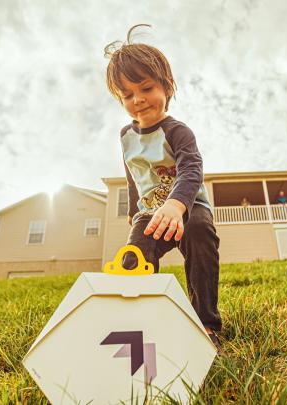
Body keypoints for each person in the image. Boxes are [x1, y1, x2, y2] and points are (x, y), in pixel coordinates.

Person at [104, 25, 222, 347]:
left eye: (145, 88)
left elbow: (192, 167)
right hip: (150, 213)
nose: (138, 100)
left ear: (166, 87)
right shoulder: (126, 137)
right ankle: (138, 326)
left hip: (187, 207)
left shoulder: (177, 131)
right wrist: (133, 211)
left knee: (200, 236)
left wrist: (176, 204)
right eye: (127, 95)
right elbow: (132, 174)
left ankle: (205, 325)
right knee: (133, 258)